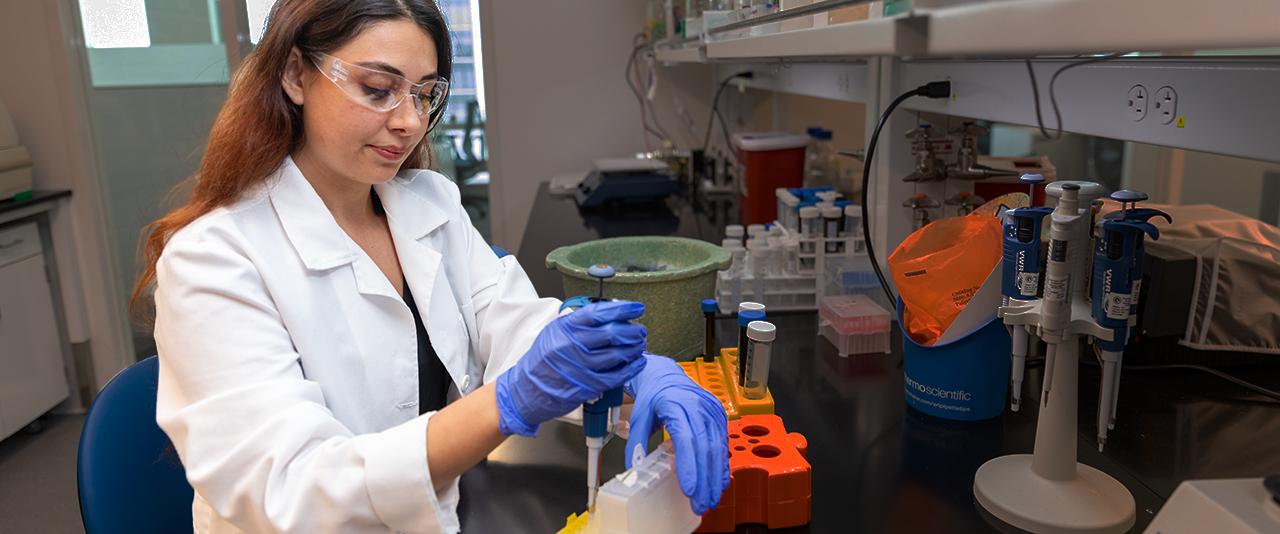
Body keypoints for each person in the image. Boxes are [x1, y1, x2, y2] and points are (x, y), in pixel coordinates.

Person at [130, 1, 730, 532]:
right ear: (294, 75)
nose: (410, 121)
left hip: (454, 509)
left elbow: (512, 324)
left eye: (422, 94)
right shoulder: (212, 259)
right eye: (376, 88)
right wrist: (505, 403)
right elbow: (291, 491)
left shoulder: (428, 203)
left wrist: (629, 371)